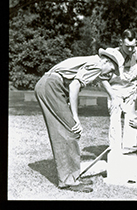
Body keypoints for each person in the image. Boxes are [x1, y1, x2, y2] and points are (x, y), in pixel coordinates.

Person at [34, 48, 124, 192]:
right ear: (106, 61)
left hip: (46, 84)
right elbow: (74, 85)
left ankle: (72, 177)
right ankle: (70, 180)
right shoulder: (98, 65)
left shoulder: (93, 61)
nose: (111, 74)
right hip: (51, 86)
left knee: (64, 131)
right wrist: (76, 117)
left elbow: (70, 83)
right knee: (71, 129)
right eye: (112, 69)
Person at [107, 29, 137, 150]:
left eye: (132, 46)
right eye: (127, 46)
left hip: (132, 90)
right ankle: (115, 151)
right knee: (115, 121)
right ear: (120, 42)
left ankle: (130, 150)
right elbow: (102, 77)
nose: (130, 50)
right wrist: (112, 96)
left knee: (132, 121)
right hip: (115, 90)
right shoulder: (112, 54)